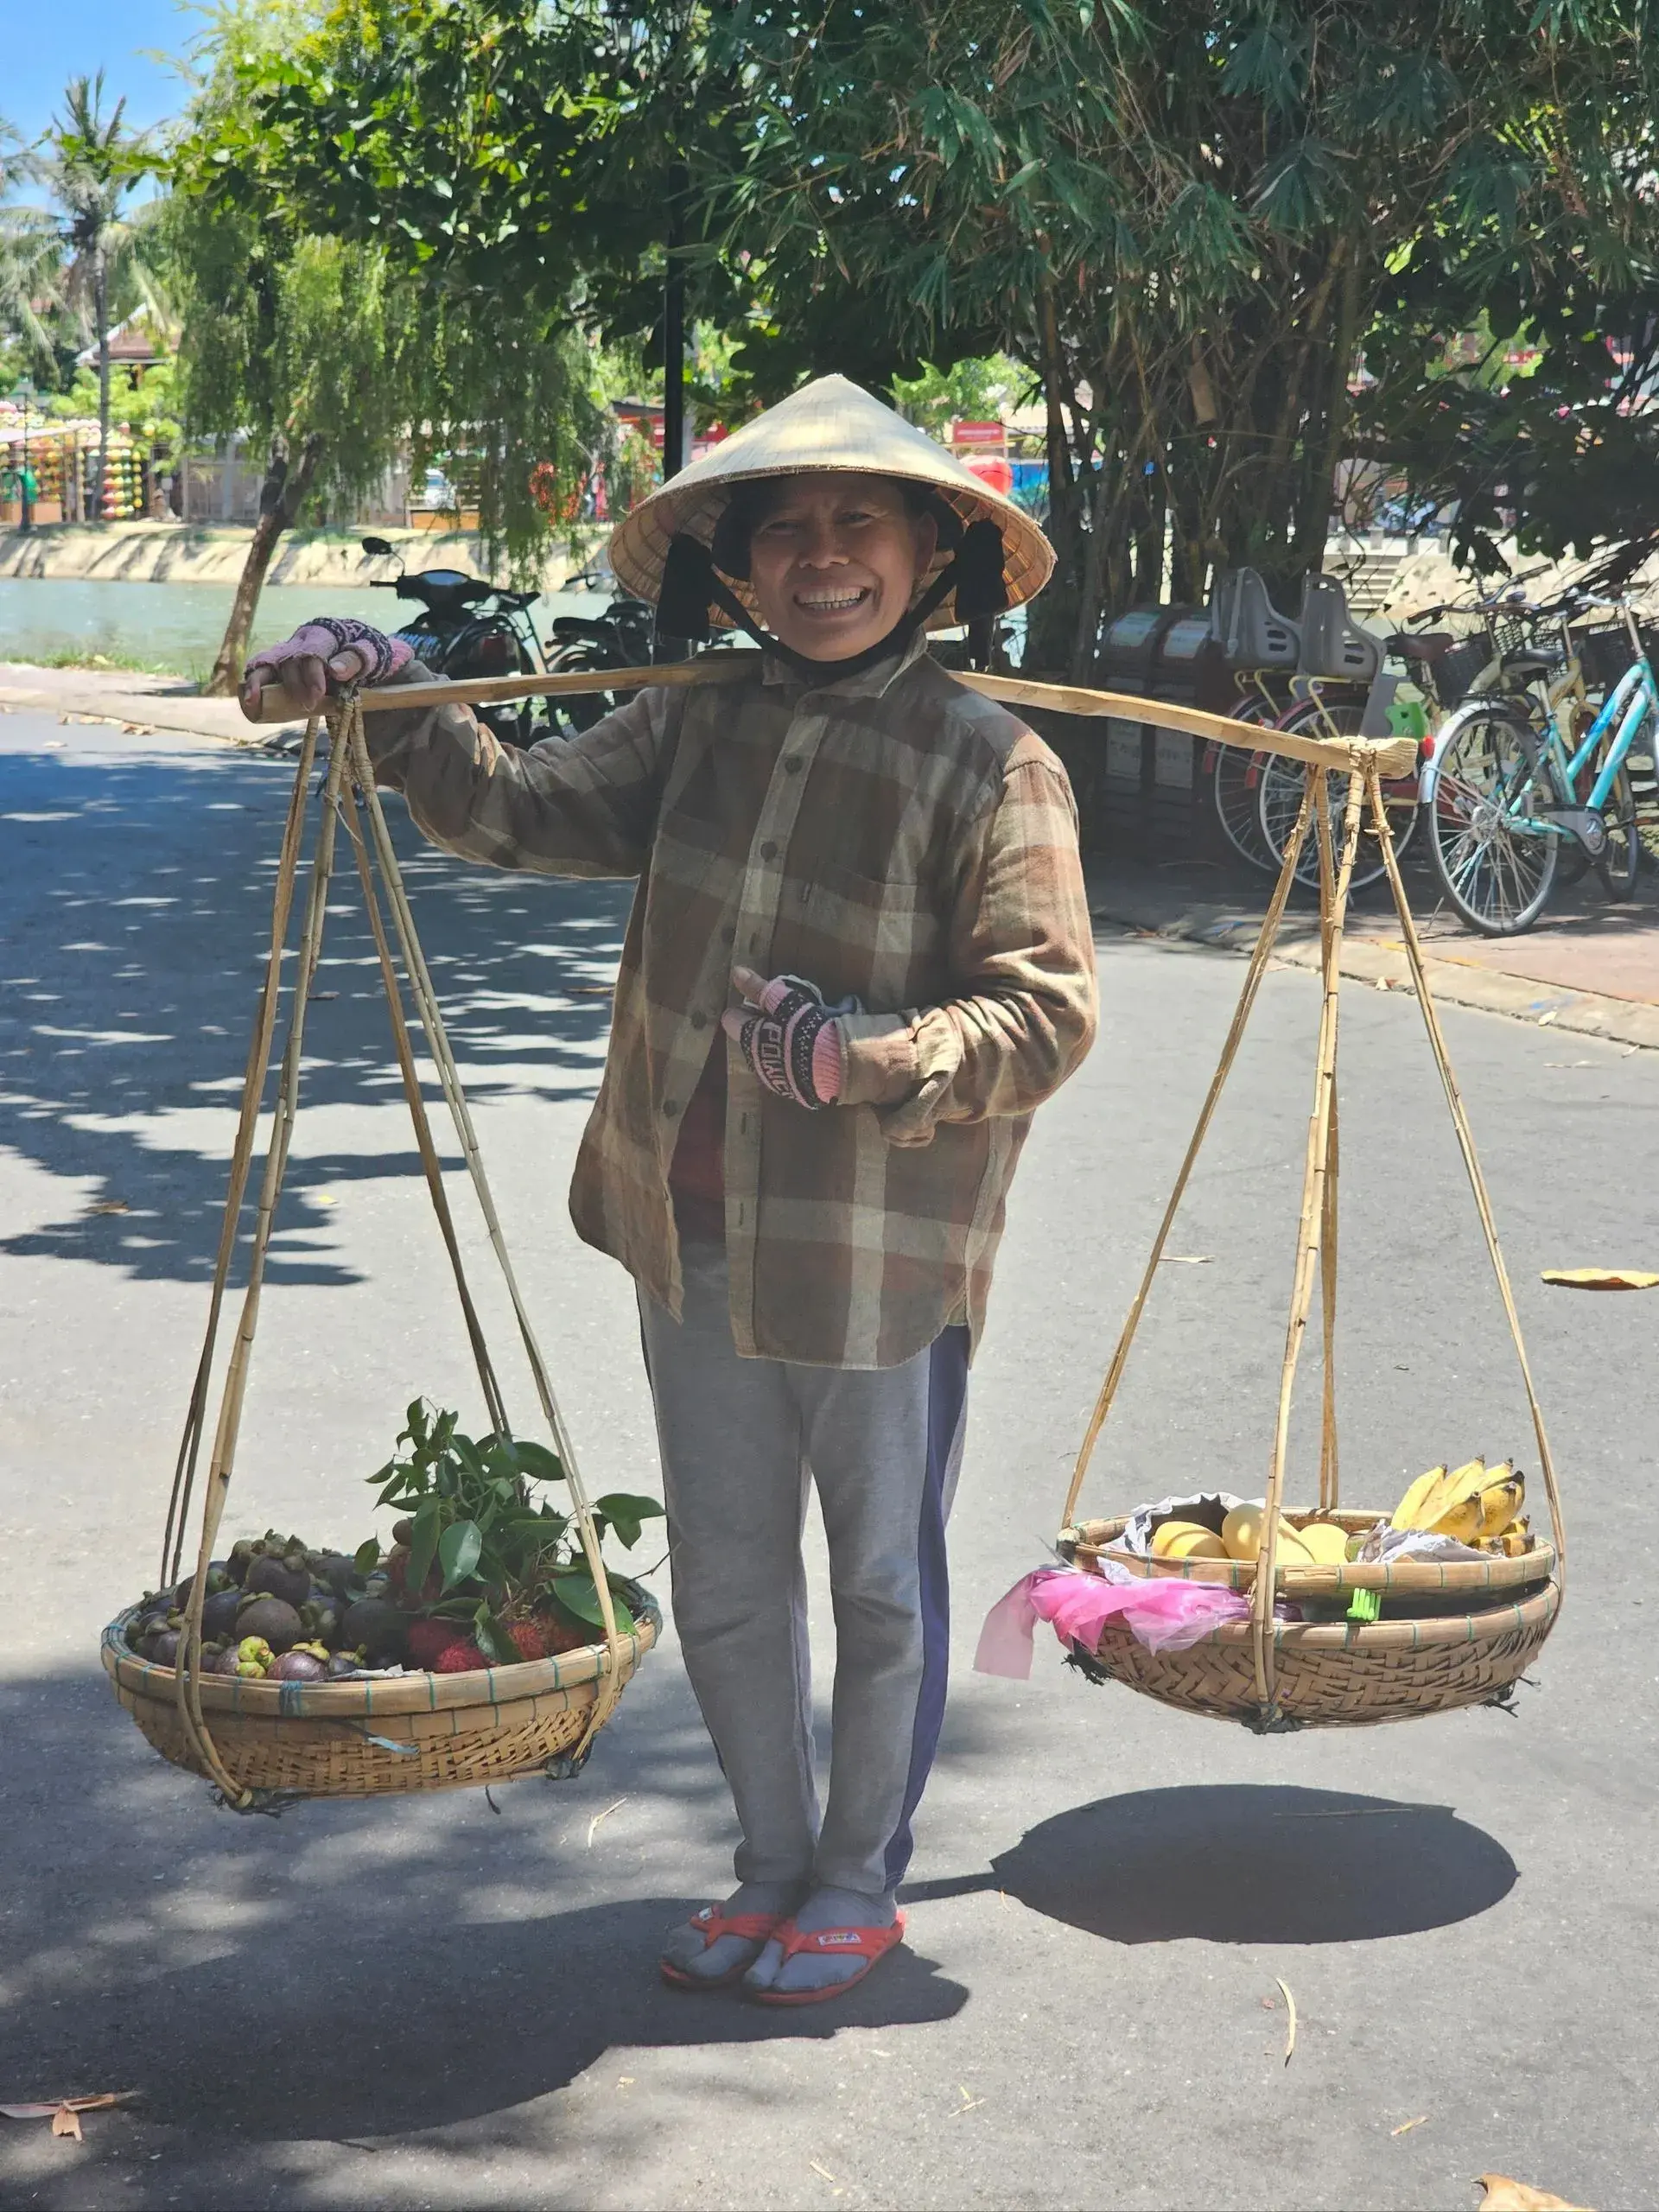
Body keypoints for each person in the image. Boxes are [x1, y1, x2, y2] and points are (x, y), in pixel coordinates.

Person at [242, 375, 1097, 2005]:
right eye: (784, 530)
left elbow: (1046, 1008)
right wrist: (393, 690)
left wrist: (864, 1059)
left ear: (934, 553)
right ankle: (768, 1864)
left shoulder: (992, 766)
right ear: (738, 564)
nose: (821, 557)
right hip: (687, 1234)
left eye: (863, 524)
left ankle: (857, 1879)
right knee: (723, 1573)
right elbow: (518, 805)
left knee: (876, 1578)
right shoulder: (696, 717)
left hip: (876, 1259)